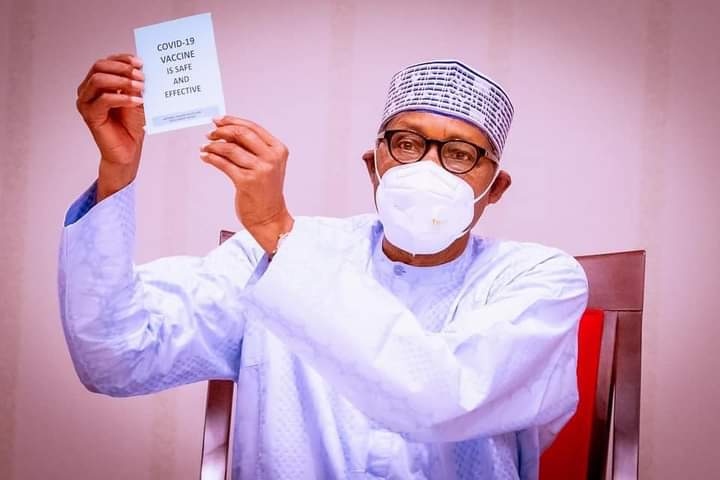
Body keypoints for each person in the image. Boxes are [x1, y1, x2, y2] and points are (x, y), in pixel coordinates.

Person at [59, 54, 588, 479]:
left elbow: (437, 398)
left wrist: (276, 228)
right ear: (374, 166)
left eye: (459, 154)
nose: (428, 169)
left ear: (495, 188)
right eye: (406, 144)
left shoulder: (539, 280)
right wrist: (117, 173)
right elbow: (117, 357)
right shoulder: (263, 256)